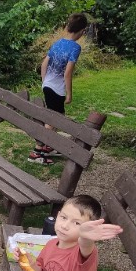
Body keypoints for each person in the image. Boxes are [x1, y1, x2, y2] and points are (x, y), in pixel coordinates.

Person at [30, 13, 89, 164]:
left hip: (48, 85)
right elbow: (68, 72)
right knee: (53, 119)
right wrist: (69, 94)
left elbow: (44, 64)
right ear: (82, 30)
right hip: (57, 89)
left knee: (59, 115)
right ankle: (37, 152)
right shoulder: (75, 48)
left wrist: (45, 82)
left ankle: (47, 146)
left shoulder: (57, 43)